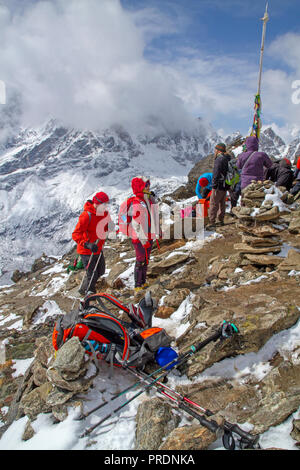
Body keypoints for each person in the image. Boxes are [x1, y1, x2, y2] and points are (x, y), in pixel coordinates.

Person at [72, 191, 113, 296]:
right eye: (104, 204)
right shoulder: (86, 215)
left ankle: (86, 287)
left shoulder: (104, 214)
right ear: (97, 203)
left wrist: (109, 227)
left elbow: (107, 226)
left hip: (98, 248)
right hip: (86, 250)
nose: (106, 206)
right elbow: (76, 234)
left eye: (106, 204)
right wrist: (87, 244)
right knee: (92, 275)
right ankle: (88, 294)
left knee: (101, 271)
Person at [125, 176, 160, 294]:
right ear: (140, 187)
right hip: (140, 238)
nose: (149, 187)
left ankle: (143, 281)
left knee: (146, 259)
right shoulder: (137, 203)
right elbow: (136, 224)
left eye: (149, 184)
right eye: (146, 185)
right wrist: (143, 240)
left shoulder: (147, 200)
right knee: (140, 260)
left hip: (148, 235)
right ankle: (137, 284)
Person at [206, 143, 231, 230]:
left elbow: (216, 173)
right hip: (226, 184)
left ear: (218, 150)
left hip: (218, 185)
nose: (214, 151)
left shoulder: (219, 159)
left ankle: (212, 222)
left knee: (214, 203)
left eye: (215, 149)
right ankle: (221, 219)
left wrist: (214, 185)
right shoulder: (227, 158)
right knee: (222, 203)